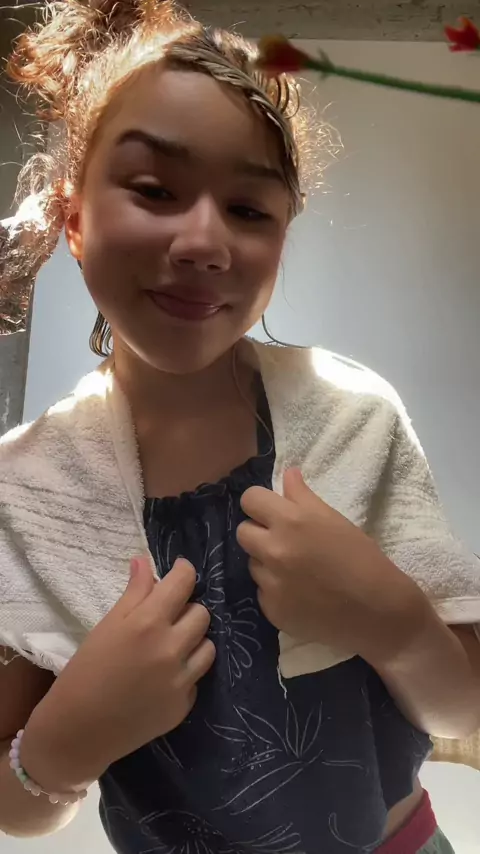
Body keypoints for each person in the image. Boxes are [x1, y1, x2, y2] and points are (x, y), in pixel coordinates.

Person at [0, 2, 479, 852]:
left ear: (281, 239)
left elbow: (460, 710)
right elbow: (17, 804)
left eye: (250, 210)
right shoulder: (25, 497)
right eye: (154, 190)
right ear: (74, 219)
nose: (203, 241)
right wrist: (68, 738)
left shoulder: (357, 421)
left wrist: (393, 620)